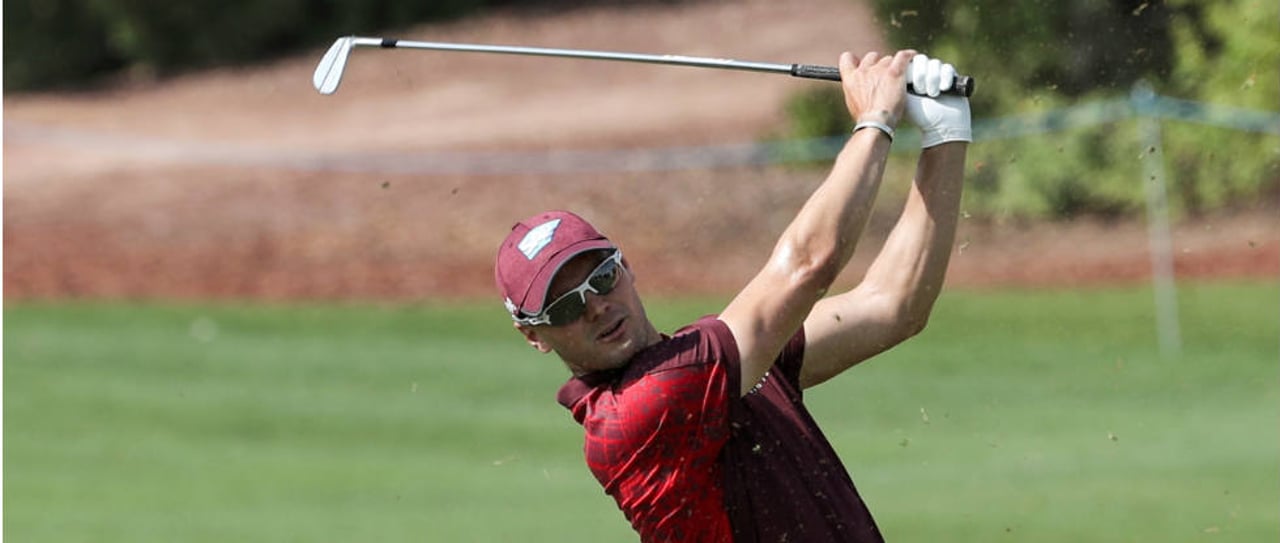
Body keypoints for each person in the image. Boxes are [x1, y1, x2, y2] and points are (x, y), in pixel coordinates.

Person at [494, 49, 971, 543]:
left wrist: (945, 133)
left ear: (626, 266)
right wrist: (876, 119)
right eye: (567, 305)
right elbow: (808, 266)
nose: (597, 306)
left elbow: (893, 305)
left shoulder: (717, 366)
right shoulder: (640, 411)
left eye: (602, 277)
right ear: (534, 335)